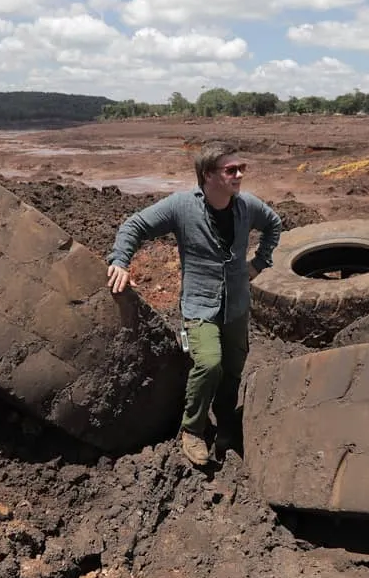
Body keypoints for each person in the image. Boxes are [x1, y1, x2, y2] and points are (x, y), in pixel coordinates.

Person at [106, 142, 283, 467]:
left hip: (237, 307)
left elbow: (274, 224)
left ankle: (227, 424)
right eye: (231, 170)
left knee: (232, 369)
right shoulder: (181, 207)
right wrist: (120, 260)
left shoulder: (247, 206)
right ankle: (193, 428)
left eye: (242, 167)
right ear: (207, 175)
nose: (240, 174)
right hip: (199, 306)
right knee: (209, 364)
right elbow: (135, 225)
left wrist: (259, 262)